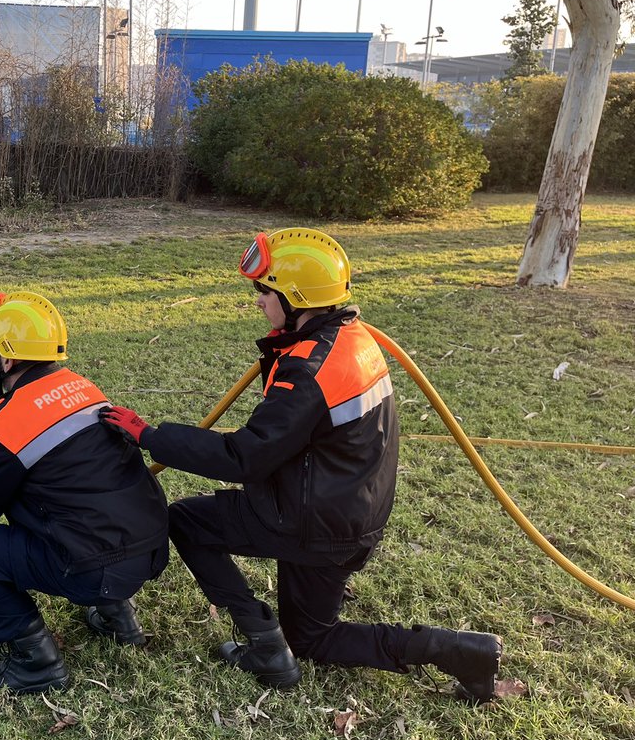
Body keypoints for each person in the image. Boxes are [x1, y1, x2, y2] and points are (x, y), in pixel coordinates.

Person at [99, 228, 503, 702]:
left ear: (296, 299)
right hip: (349, 510)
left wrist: (150, 436)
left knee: (194, 528)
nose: (257, 302)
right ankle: (462, 651)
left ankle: (266, 636)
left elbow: (245, 456)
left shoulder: (308, 369)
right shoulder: (350, 336)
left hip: (314, 524)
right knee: (304, 620)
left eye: (264, 292)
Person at [0, 291, 170, 694]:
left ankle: (37, 663)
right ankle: (120, 619)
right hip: (150, 549)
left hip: (96, 568)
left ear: (8, 358)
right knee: (77, 510)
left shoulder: (4, 424)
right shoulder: (83, 388)